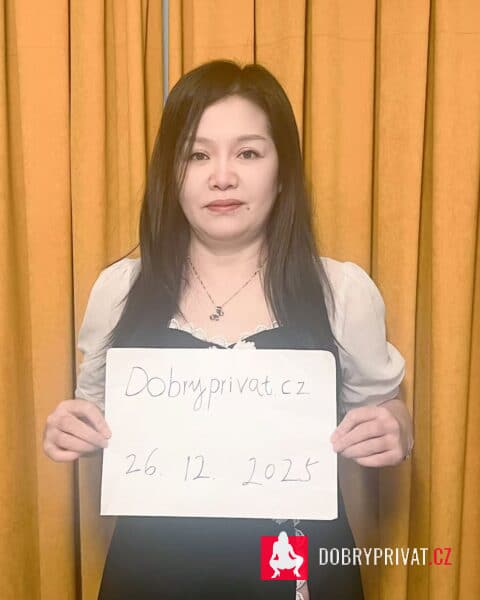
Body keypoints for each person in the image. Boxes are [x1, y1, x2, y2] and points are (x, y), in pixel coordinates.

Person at [43, 59, 413, 599]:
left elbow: (385, 408)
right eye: (197, 154)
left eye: (248, 153)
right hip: (151, 573)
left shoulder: (341, 291)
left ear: (282, 172)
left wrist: (396, 429)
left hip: (290, 569)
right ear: (171, 173)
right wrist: (73, 427)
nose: (222, 176)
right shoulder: (119, 289)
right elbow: (95, 413)